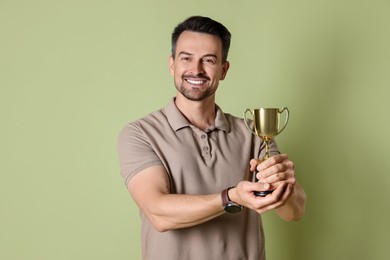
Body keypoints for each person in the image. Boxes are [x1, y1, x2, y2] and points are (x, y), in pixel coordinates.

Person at [117, 15, 306, 260]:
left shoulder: (254, 134)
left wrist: (282, 187)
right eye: (186, 58)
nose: (196, 69)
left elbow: (296, 211)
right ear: (172, 64)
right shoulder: (140, 134)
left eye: (209, 60)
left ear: (224, 69)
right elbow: (159, 213)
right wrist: (230, 197)